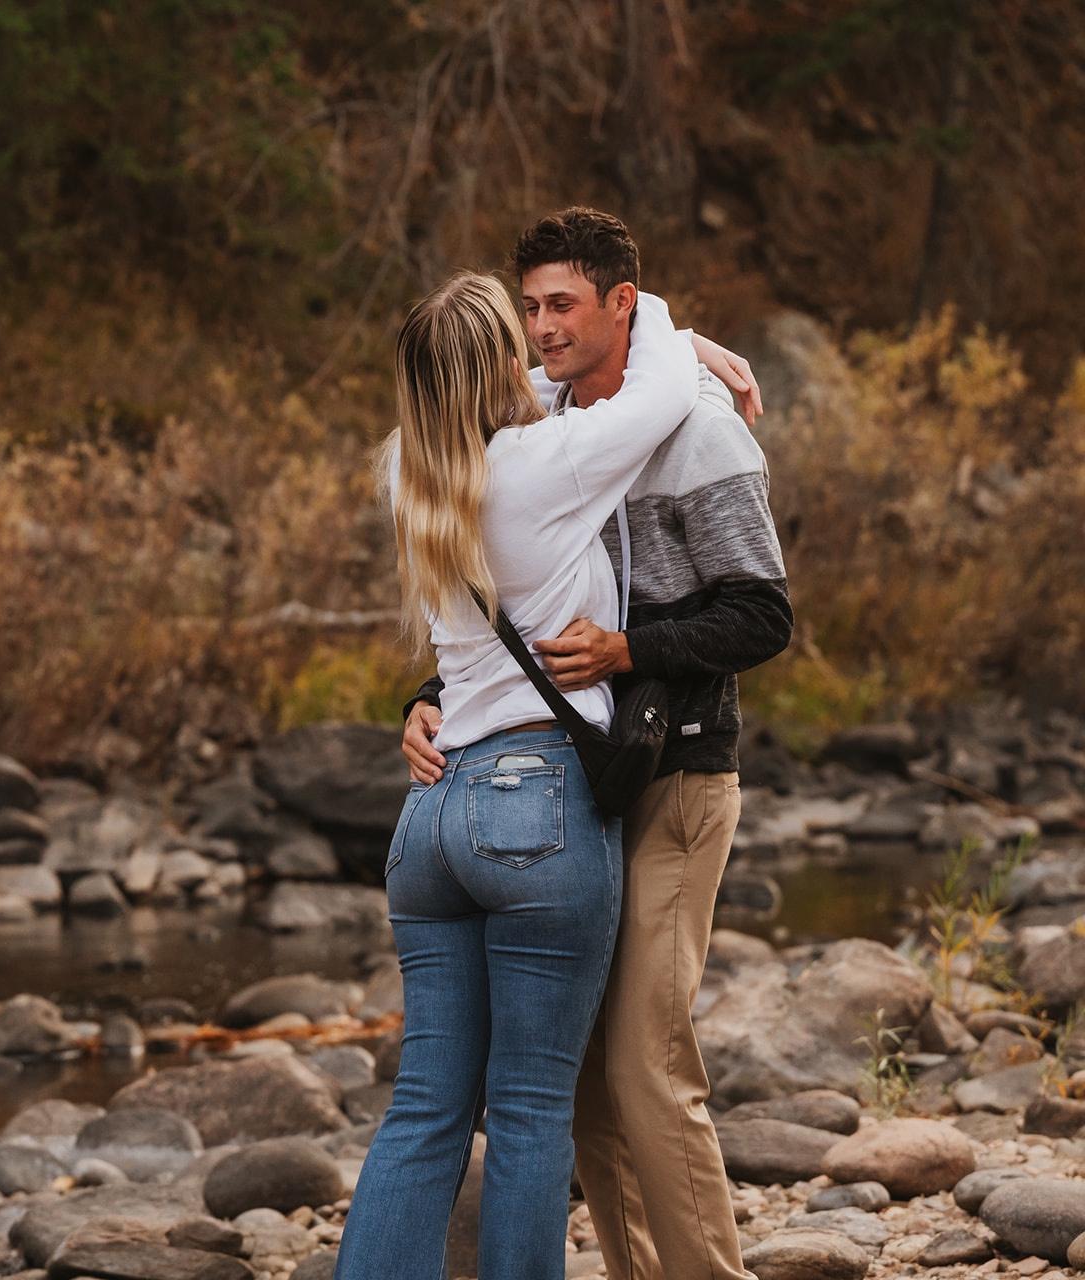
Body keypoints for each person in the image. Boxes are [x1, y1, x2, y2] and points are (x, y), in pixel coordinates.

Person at [402, 209, 792, 1280]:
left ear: (622, 303)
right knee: (577, 1078)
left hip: (678, 776)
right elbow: (508, 590)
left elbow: (763, 615)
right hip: (574, 790)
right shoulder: (542, 419)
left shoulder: (698, 430)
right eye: (529, 308)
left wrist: (630, 649)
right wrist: (432, 695)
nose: (541, 329)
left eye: (562, 305)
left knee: (645, 1064)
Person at [334, 271, 710, 1280]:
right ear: (505, 360)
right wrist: (666, 322)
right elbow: (656, 394)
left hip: (431, 812)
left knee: (425, 1106)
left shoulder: (408, 468)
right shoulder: (546, 464)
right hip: (534, 810)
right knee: (532, 1107)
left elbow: (529, 397)